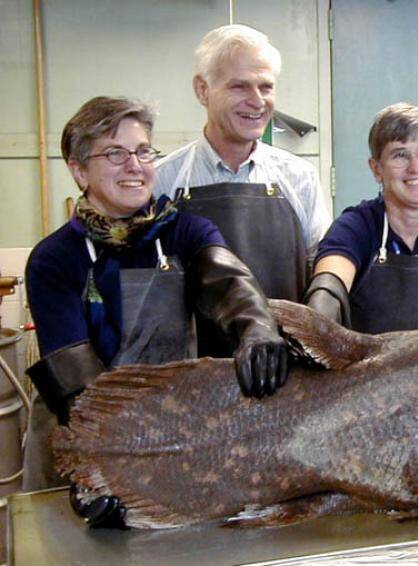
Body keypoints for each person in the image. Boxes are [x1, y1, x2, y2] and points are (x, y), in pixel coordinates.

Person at [24, 96, 289, 526]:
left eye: (143, 151)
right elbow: (77, 385)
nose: (135, 165)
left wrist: (257, 328)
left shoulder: (184, 230)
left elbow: (228, 281)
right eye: (115, 153)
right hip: (81, 436)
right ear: (78, 170)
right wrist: (100, 469)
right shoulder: (55, 258)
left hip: (169, 430)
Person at [154, 24, 331, 357]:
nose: (257, 101)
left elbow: (318, 270)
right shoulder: (164, 182)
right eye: (239, 86)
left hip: (286, 374)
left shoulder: (300, 178)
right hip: (196, 377)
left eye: (266, 86)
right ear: (202, 90)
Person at [305, 102, 418, 334]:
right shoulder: (355, 227)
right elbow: (330, 284)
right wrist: (318, 322)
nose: (415, 167)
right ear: (376, 169)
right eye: (400, 155)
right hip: (363, 369)